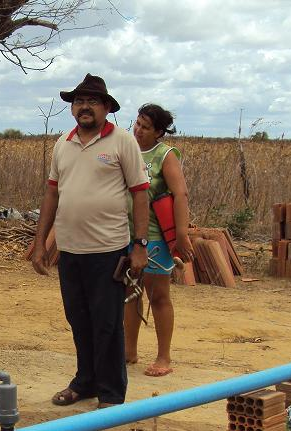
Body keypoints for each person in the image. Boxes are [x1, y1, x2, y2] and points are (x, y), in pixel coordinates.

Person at [30, 74, 150, 408]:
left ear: (107, 108)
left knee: (107, 324)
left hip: (108, 251)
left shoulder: (122, 142)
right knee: (79, 319)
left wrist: (139, 244)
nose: (84, 106)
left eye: (92, 101)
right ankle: (85, 382)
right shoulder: (62, 143)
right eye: (78, 101)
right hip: (70, 250)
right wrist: (41, 243)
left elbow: (141, 194)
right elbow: (52, 193)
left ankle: (111, 394)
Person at [124, 103, 192, 377]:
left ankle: (164, 356)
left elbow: (180, 194)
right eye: (137, 123)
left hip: (153, 238)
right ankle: (129, 351)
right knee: (129, 294)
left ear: (159, 132)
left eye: (146, 127)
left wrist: (182, 235)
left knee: (158, 295)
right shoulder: (127, 149)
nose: (138, 130)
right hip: (125, 235)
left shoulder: (165, 156)